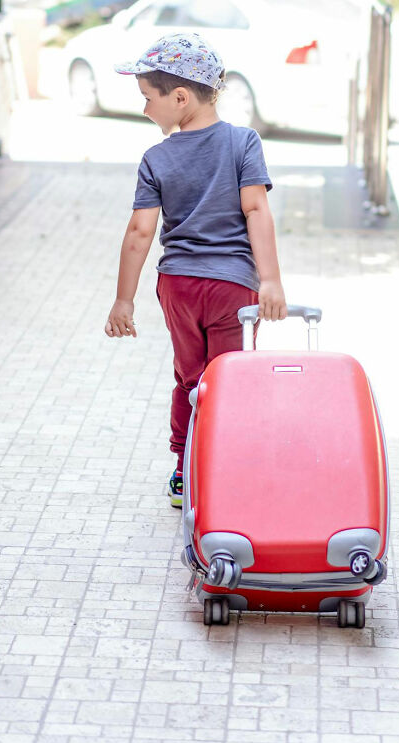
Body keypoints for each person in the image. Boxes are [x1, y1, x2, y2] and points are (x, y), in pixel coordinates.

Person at [104, 31, 287, 508]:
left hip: (179, 286)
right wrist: (270, 279)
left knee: (191, 378)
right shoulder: (244, 142)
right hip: (232, 287)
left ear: (180, 97)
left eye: (148, 99)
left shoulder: (156, 159)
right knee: (231, 379)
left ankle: (185, 471)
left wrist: (124, 299)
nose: (145, 109)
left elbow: (140, 233)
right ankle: (229, 468)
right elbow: (256, 211)